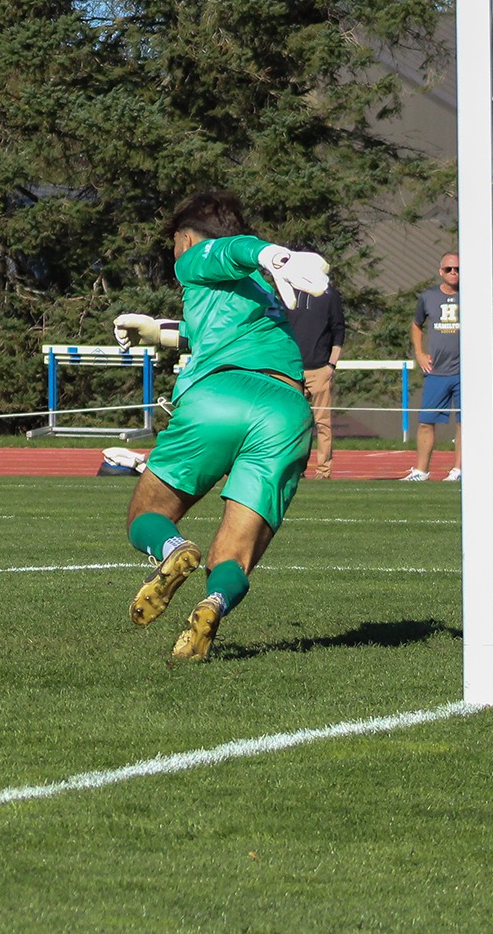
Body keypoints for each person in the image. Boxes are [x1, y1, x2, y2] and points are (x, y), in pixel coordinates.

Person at [112, 190, 326, 660]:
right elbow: (214, 330)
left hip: (220, 396)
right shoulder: (260, 291)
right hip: (286, 411)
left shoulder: (197, 257)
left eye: (174, 244)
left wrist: (272, 252)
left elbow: (231, 249)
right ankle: (213, 603)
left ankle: (171, 549)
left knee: (146, 518)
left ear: (186, 238)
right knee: (236, 553)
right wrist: (155, 331)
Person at [282, 266, 345, 480]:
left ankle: (323, 470)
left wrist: (331, 366)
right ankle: (294, 469)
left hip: (319, 369)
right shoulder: (287, 291)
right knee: (292, 422)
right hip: (292, 369)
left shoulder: (330, 295)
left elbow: (339, 330)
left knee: (323, 423)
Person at [404, 253, 461, 482]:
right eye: (449, 269)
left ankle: (458, 470)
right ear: (441, 272)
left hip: (464, 372)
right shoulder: (428, 297)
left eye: (457, 269)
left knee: (465, 421)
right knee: (426, 421)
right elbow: (416, 325)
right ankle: (421, 471)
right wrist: (419, 353)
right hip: (437, 371)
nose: (454, 272)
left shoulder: (473, 295)